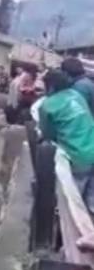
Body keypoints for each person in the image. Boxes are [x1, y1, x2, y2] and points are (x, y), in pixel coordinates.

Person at [39, 69, 94, 212]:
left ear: (50, 86)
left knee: (74, 206)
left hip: (77, 158)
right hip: (92, 149)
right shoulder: (77, 95)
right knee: (91, 203)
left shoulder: (47, 105)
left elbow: (48, 135)